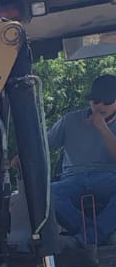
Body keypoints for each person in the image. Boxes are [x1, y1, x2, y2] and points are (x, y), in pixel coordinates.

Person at [50, 72, 116, 245]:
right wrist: (19, 157)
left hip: (108, 177)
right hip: (72, 178)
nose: (101, 106)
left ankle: (82, 239)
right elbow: (43, 145)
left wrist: (102, 128)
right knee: (46, 194)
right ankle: (94, 235)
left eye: (107, 101)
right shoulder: (70, 120)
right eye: (96, 101)